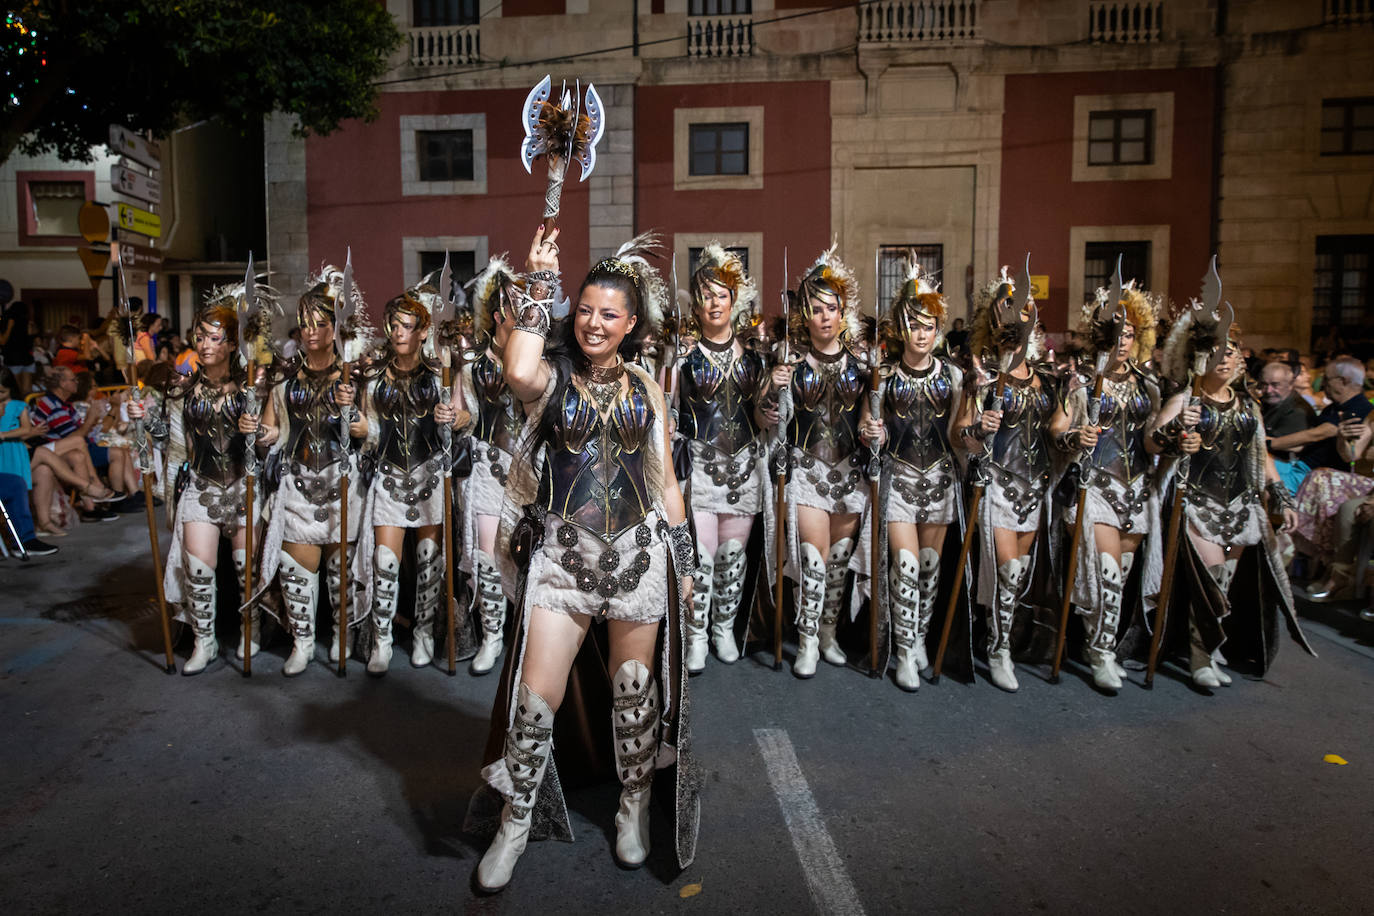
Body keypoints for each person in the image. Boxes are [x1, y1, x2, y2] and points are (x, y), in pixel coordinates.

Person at [471, 227, 698, 891]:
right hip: (563, 560)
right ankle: (515, 821)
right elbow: (516, 369)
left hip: (637, 558)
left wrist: (686, 564)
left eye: (609, 314)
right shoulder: (552, 379)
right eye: (586, 310)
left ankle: (632, 809)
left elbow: (665, 483)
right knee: (533, 702)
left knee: (634, 694)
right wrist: (540, 283)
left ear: (630, 323)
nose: (595, 323)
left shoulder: (648, 388)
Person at [1150, 313, 1313, 688]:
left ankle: (1210, 646)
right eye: (1215, 352)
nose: (1224, 358)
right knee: (1210, 581)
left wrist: (1282, 497)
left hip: (1240, 505)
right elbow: (1152, 441)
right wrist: (1178, 433)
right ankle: (1200, 657)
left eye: (1231, 351)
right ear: (1199, 359)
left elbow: (1261, 456)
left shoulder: (1246, 404)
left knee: (1224, 585)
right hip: (1197, 502)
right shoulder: (1184, 400)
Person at [952, 268, 1076, 693]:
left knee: (1019, 575)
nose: (1015, 326)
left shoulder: (1049, 378)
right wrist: (978, 431)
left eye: (1024, 316)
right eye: (1007, 317)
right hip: (997, 489)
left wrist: (1076, 436)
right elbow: (960, 434)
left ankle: (1003, 637)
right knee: (1006, 571)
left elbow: (1058, 429)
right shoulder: (980, 377)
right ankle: (998, 649)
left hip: (1035, 489)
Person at [247, 267, 374, 675]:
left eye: (320, 324)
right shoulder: (284, 381)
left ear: (336, 327)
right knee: (297, 573)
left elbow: (369, 429)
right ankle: (301, 644)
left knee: (341, 576)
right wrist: (258, 430)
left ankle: (343, 638)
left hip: (343, 484)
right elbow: (275, 431)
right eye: (304, 324)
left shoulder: (355, 378)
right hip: (299, 486)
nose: (311, 332)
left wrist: (354, 417)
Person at [130, 293, 261, 675]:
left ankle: (251, 631)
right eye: (199, 336)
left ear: (232, 344)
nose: (204, 345)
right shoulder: (181, 390)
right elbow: (168, 440)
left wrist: (261, 431)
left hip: (243, 487)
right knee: (198, 570)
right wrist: (142, 418)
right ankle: (204, 641)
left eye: (213, 338)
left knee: (244, 567)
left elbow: (272, 437)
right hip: (201, 487)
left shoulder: (251, 388)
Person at [354, 272, 467, 675]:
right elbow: (368, 427)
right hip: (388, 476)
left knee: (428, 561)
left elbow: (465, 413)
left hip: (430, 476)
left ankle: (422, 633)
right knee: (385, 562)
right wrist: (357, 424)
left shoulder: (442, 373)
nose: (398, 332)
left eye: (406, 326)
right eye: (394, 325)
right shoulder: (374, 376)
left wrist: (451, 417)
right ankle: (382, 640)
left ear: (423, 332)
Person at [859, 263, 964, 691]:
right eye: (914, 326)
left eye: (929, 327)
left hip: (939, 482)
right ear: (902, 328)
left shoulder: (954, 377)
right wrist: (871, 432)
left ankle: (920, 637)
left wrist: (977, 434)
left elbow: (960, 433)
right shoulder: (882, 375)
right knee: (903, 566)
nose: (922, 334)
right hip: (898, 481)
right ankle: (903, 651)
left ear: (938, 330)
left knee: (928, 567)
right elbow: (868, 423)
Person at [673, 242, 773, 673]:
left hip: (745, 468)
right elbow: (670, 413)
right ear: (696, 305)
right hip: (701, 468)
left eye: (722, 295)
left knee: (734, 559)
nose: (715, 303)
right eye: (707, 295)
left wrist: (772, 404)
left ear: (735, 301)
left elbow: (761, 415)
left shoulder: (755, 360)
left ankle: (724, 630)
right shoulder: (682, 358)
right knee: (704, 557)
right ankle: (696, 636)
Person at [771, 245, 870, 679]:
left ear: (843, 311)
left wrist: (874, 432)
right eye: (816, 309)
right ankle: (807, 640)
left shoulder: (864, 366)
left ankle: (828, 633)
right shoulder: (790, 360)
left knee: (838, 562)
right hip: (808, 471)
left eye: (832, 308)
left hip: (851, 474)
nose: (825, 316)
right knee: (813, 560)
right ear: (805, 316)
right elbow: (768, 416)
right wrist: (774, 389)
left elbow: (870, 416)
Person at [1061, 282, 1161, 692]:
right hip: (1094, 486)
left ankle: (1097, 643)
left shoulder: (1149, 385)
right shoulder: (1081, 382)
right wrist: (1075, 437)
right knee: (1104, 572)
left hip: (1136, 488)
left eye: (1130, 334)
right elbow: (1060, 432)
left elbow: (1152, 438)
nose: (1123, 341)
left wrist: (1174, 437)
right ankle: (1102, 653)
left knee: (1119, 574)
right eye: (1116, 334)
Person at [458, 255, 527, 676]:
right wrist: (456, 419)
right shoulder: (471, 366)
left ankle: (524, 637)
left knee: (525, 556)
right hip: (487, 467)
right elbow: (463, 413)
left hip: (528, 471)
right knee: (487, 556)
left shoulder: (537, 359)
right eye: (515, 304)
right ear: (499, 312)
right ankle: (491, 637)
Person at [29, 365, 119, 522]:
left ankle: (89, 509)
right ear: (63, 384)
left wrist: (94, 420)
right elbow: (73, 437)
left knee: (77, 456)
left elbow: (81, 433)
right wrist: (90, 419)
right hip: (44, 451)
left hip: (61, 449)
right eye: (73, 379)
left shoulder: (64, 404)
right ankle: (95, 484)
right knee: (77, 442)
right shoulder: (50, 404)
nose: (77, 382)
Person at [1259, 359, 1317, 494]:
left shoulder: (1297, 411)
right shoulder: (1269, 402)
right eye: (1264, 385)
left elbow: (1292, 446)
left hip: (1288, 469)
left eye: (1275, 385)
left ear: (1290, 385)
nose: (1268, 390)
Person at [1, 299, 36, 395]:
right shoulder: (26, 322)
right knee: (27, 391)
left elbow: (3, 342)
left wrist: (9, 327)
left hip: (14, 359)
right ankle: (28, 408)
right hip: (26, 359)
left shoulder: (5, 322)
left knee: (17, 390)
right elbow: (30, 343)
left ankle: (22, 408)